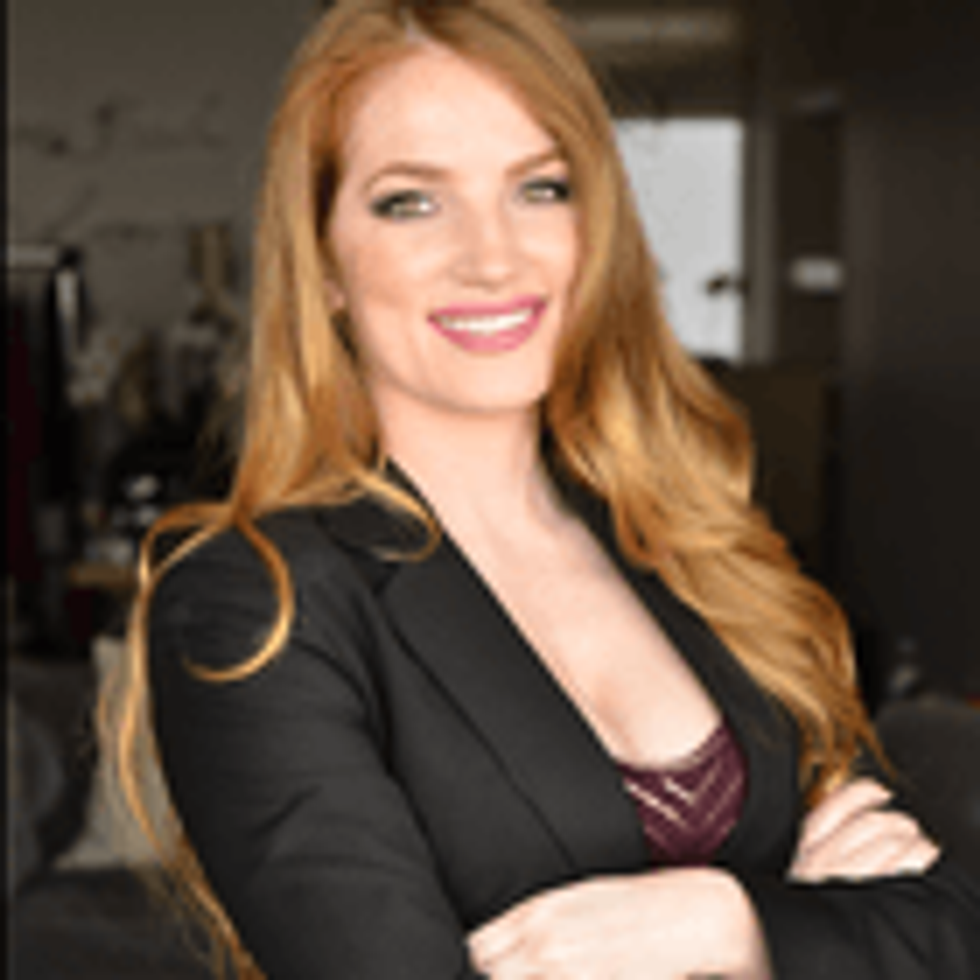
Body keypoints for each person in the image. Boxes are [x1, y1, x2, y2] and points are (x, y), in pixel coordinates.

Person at [107, 0, 980, 977]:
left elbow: (949, 925)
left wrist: (724, 922)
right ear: (324, 264)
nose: (493, 257)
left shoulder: (687, 540)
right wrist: (804, 931)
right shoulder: (254, 602)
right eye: (412, 201)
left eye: (540, 188)